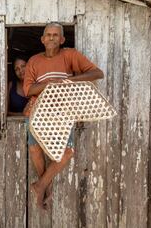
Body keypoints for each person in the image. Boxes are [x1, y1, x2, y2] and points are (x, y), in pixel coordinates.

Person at [23, 22, 104, 209]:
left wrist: (69, 81)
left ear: (62, 39)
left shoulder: (70, 55)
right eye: (48, 35)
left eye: (55, 35)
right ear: (42, 40)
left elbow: (97, 73)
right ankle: (45, 186)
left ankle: (41, 184)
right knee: (35, 149)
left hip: (62, 112)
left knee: (66, 152)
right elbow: (29, 90)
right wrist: (52, 84)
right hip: (38, 109)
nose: (51, 38)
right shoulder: (34, 61)